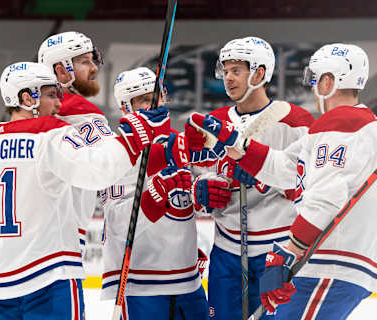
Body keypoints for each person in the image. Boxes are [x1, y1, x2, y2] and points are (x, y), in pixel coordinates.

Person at [0, 61, 171, 320]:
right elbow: (97, 172)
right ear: (27, 98)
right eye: (51, 95)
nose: (59, 104)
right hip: (49, 278)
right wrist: (135, 137)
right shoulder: (50, 133)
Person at [190, 43, 376, 320]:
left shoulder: (342, 122)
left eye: (314, 78)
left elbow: (326, 198)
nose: (312, 86)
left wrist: (288, 252)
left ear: (328, 81)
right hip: (327, 262)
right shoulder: (342, 125)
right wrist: (238, 145)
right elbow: (288, 168)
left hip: (330, 262)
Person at [188, 37, 314, 319]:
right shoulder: (214, 122)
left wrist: (267, 176)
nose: (229, 78)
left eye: (237, 71)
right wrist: (201, 188)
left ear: (259, 74)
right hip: (227, 251)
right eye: (226, 71)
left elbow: (310, 180)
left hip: (277, 251)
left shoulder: (294, 121)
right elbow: (190, 175)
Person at [99, 66, 209, 320]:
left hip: (187, 280)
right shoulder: (117, 152)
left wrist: (200, 194)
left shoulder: (179, 142)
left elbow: (183, 205)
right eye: (144, 100)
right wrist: (155, 194)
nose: (155, 104)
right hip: (142, 283)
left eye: (158, 95)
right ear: (127, 107)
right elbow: (118, 224)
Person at [38, 31, 110, 253]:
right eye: (84, 62)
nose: (94, 68)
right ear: (61, 71)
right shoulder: (80, 110)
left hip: (24, 236)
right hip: (63, 237)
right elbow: (114, 164)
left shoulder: (28, 113)